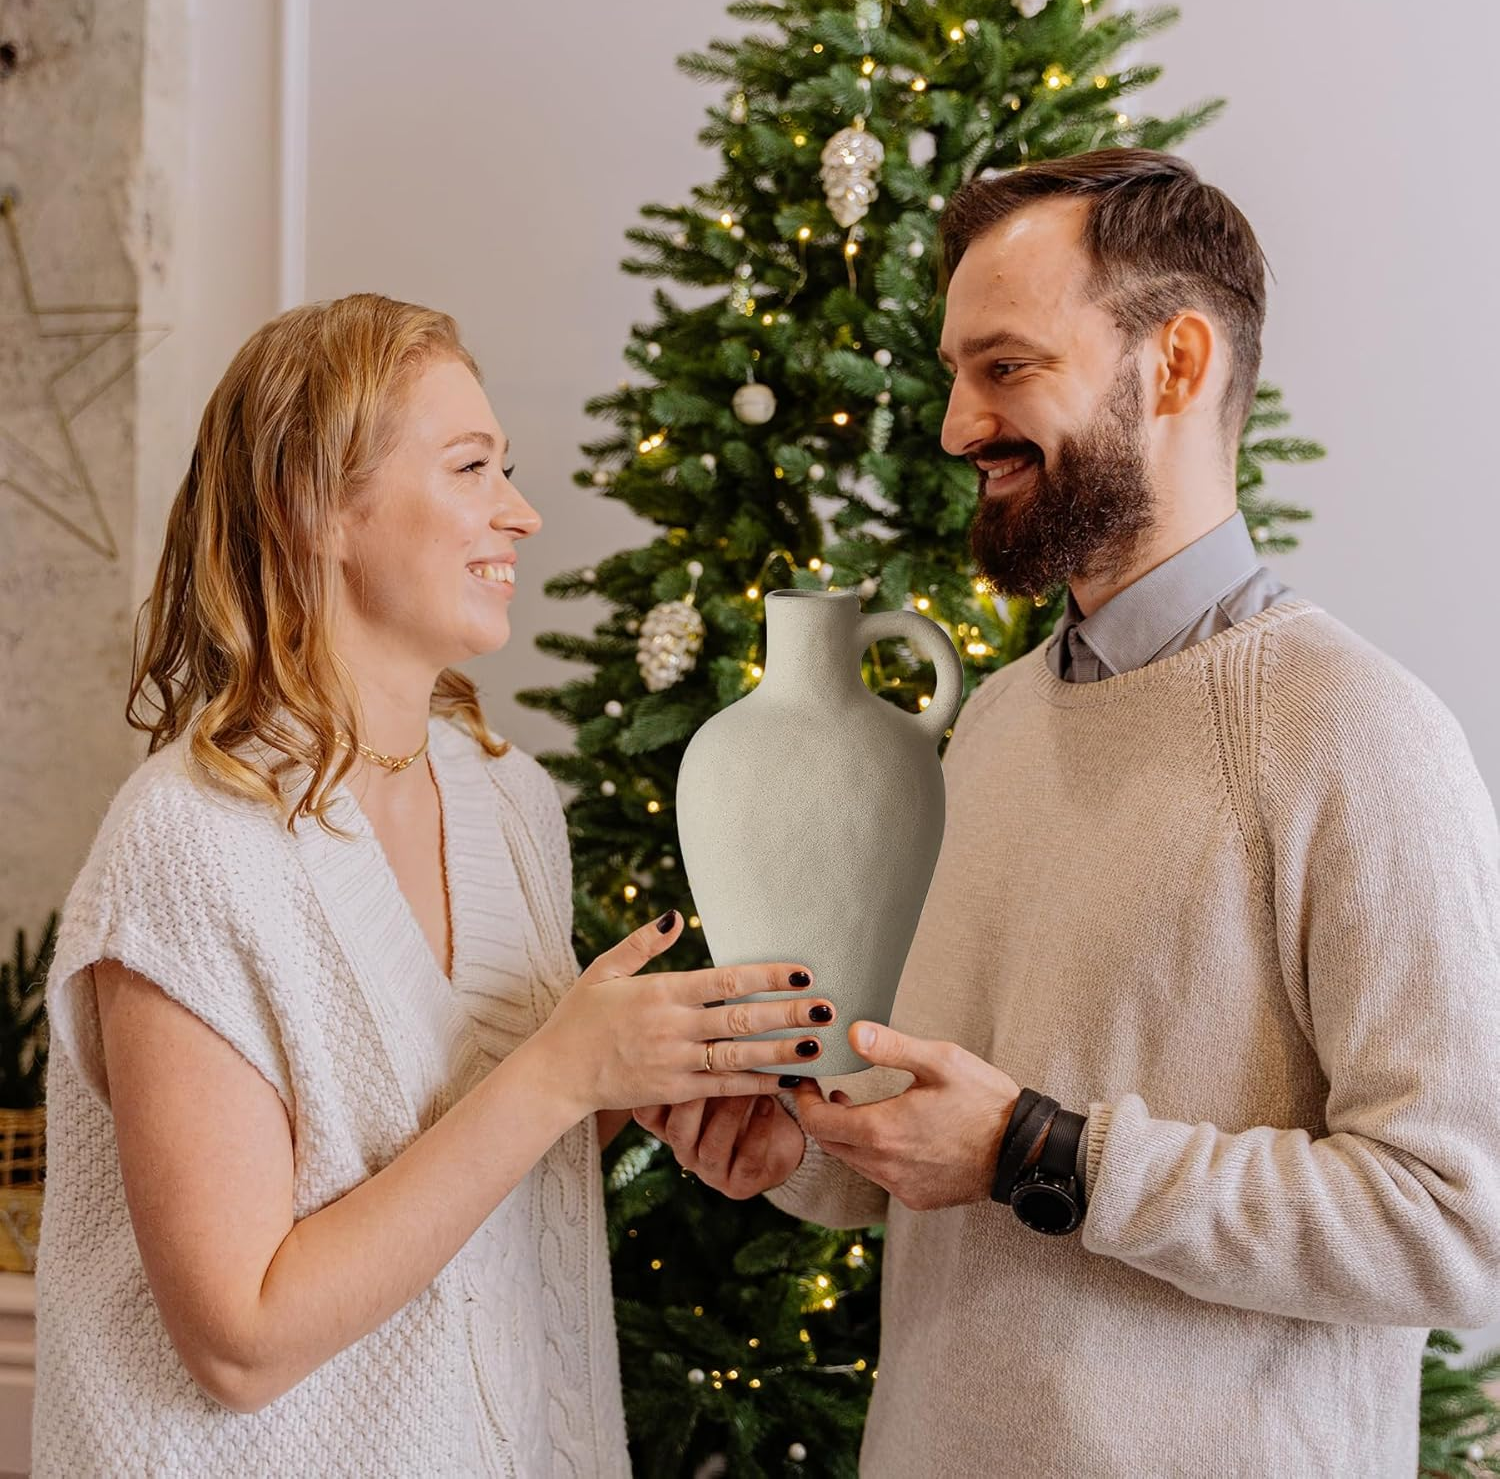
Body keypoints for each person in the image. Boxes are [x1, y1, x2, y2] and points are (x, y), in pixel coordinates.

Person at [635, 148, 1500, 1475]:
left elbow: (1457, 1228)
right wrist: (803, 1151)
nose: (953, 425)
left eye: (1006, 367)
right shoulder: (998, 721)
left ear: (1177, 363)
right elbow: (947, 1134)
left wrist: (1052, 1154)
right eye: (951, 373)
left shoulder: (1360, 736)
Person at [32, 293, 837, 1476]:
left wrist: (658, 1080)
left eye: (505, 469)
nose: (521, 511)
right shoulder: (189, 845)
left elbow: (482, 1131)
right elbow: (241, 1341)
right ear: (312, 506)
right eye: (471, 468)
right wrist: (566, 1068)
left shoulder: (507, 798)